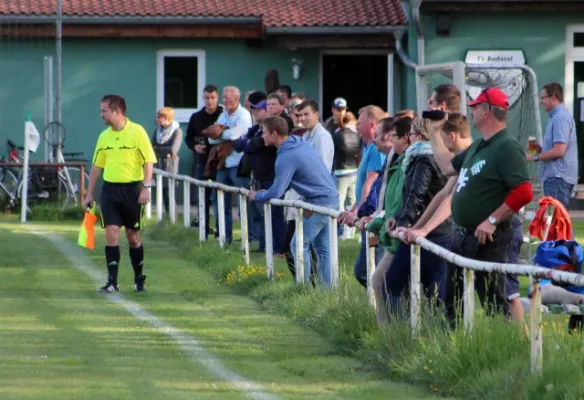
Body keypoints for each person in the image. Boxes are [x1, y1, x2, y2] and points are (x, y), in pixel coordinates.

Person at [427, 88, 533, 326]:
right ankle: (455, 349)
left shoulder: (507, 146)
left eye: (475, 107)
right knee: (452, 299)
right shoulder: (479, 146)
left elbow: (524, 191)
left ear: (487, 112)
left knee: (494, 301)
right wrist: (434, 134)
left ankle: (508, 353)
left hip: (491, 238)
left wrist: (492, 220)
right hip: (463, 234)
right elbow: (447, 167)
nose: (471, 111)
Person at [250, 116, 339, 287]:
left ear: (275, 133)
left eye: (265, 133)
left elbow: (277, 191)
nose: (262, 136)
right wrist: (269, 191)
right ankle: (327, 292)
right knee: (322, 248)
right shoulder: (299, 142)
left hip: (319, 202)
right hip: (327, 198)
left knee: (298, 244)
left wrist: (258, 196)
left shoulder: (287, 155)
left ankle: (302, 289)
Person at [85, 94, 157, 293]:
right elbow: (97, 166)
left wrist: (145, 187)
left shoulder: (137, 132)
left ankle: (138, 278)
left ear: (116, 111)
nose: (101, 115)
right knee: (111, 233)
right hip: (109, 191)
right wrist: (90, 194)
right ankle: (112, 281)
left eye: (104, 111)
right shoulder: (104, 136)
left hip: (132, 191)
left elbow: (149, 161)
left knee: (133, 237)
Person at [386, 117, 453, 313]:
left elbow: (417, 194)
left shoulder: (422, 159)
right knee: (433, 292)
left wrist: (404, 222)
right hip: (433, 230)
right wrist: (399, 218)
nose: (409, 140)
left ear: (420, 136)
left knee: (393, 284)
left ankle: (404, 336)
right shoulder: (434, 157)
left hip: (430, 233)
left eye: (412, 135)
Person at [526, 82, 578, 210]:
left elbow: (560, 151)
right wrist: (540, 149)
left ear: (553, 97)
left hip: (558, 178)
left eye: (543, 97)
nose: (541, 101)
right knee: (557, 223)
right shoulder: (556, 117)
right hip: (556, 178)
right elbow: (557, 149)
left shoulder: (560, 118)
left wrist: (535, 157)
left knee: (557, 222)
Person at [185, 84, 223, 238]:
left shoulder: (223, 115)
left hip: (220, 163)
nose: (210, 101)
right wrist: (195, 147)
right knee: (204, 196)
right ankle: (204, 229)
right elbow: (188, 138)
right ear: (203, 98)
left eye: (213, 98)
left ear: (217, 98)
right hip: (203, 163)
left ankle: (221, 231)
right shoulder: (196, 117)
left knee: (220, 198)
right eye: (207, 98)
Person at [151, 107, 182, 214]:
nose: (158, 119)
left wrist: (158, 149)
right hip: (158, 164)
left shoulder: (177, 131)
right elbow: (151, 147)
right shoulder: (157, 131)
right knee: (162, 193)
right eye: (157, 116)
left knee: (169, 192)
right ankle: (167, 218)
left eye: (160, 116)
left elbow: (173, 149)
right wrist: (164, 151)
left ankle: (173, 218)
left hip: (170, 166)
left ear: (167, 117)